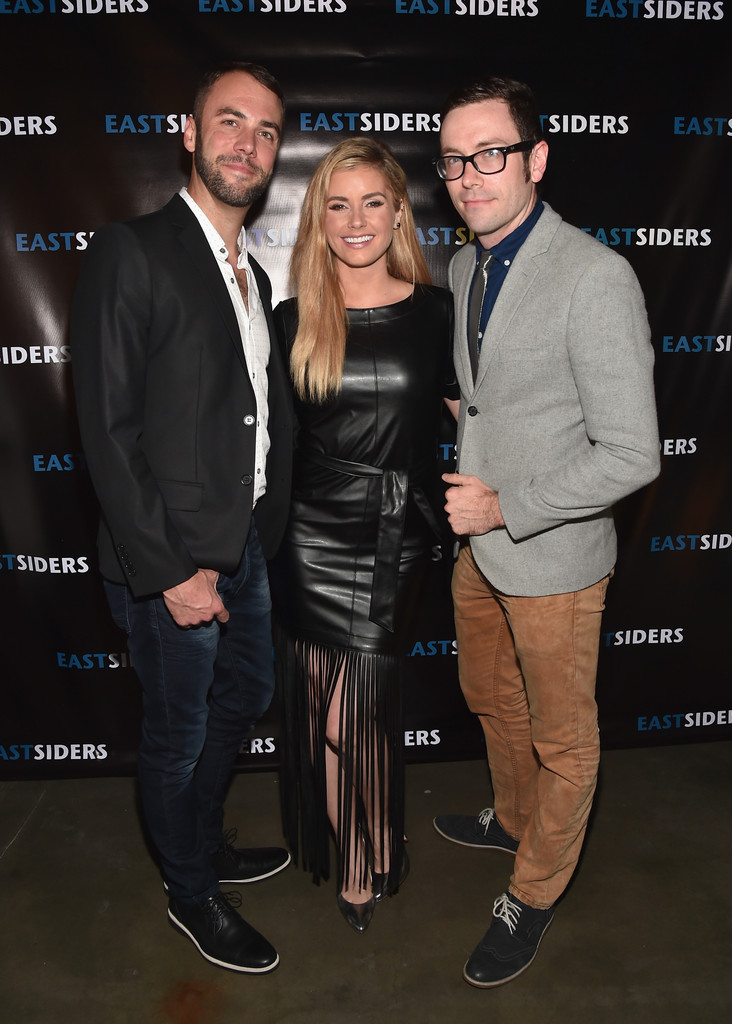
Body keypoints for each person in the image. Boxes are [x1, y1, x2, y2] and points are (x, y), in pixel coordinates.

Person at [431, 77, 660, 987]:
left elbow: (632, 454)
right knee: (488, 696)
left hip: (552, 555)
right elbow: (487, 394)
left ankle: (532, 890)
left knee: (564, 738)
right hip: (477, 553)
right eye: (452, 159)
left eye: (489, 153)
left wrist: (505, 505)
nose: (468, 175)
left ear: (535, 160)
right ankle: (512, 816)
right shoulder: (462, 265)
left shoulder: (595, 275)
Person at [70, 62, 294, 975]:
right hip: (173, 566)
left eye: (267, 130)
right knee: (179, 736)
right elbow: (107, 430)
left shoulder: (252, 272)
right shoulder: (133, 250)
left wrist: (251, 543)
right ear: (190, 132)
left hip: (244, 551)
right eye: (230, 121)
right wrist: (171, 571)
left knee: (243, 702)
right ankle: (190, 894)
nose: (248, 142)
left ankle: (200, 846)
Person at [270, 138, 458, 932]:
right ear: (318, 218)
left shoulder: (436, 310)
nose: (356, 221)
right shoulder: (290, 319)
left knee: (362, 710)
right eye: (337, 204)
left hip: (399, 534)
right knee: (330, 715)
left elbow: (471, 419)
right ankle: (371, 839)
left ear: (396, 214)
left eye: (372, 202)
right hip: (311, 534)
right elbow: (266, 441)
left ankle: (367, 843)